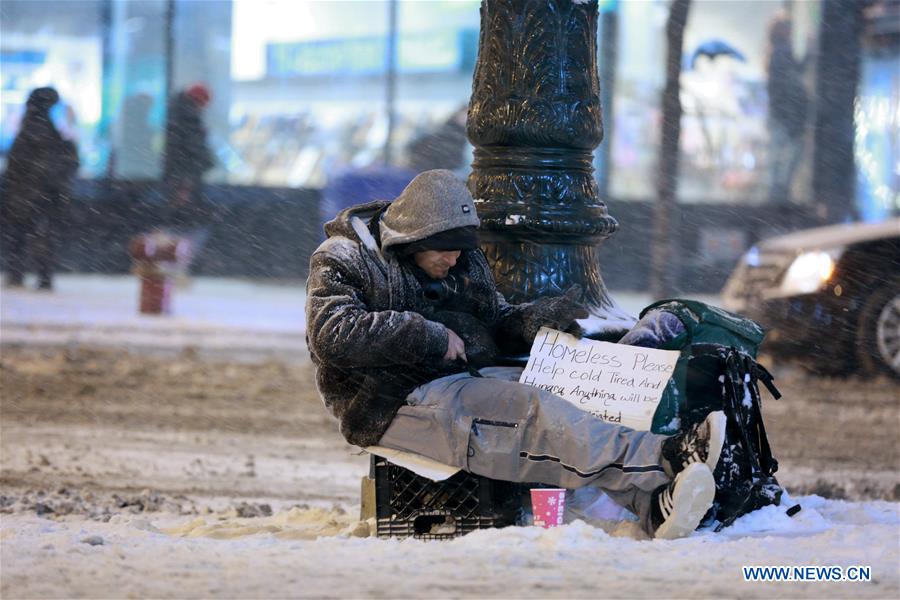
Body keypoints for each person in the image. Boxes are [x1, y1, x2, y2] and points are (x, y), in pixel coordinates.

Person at [306, 169, 727, 540]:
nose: (454, 259)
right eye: (444, 249)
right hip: (386, 402)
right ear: (412, 237)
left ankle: (652, 503)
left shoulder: (462, 261)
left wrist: (531, 322)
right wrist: (428, 336)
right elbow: (330, 333)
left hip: (457, 380)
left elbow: (493, 319)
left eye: (460, 248)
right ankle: (666, 455)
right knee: (533, 413)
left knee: (564, 399)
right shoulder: (343, 258)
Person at [1, 87, 80, 290]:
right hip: (41, 195)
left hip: (26, 195)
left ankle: (20, 275)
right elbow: (64, 164)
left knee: (22, 236)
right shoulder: (50, 134)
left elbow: (16, 168)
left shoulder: (30, 131)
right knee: (41, 237)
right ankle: (40, 276)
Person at [766, 11, 808, 202]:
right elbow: (792, 76)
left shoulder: (776, 52)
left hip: (781, 111)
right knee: (787, 151)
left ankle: (778, 190)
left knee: (780, 152)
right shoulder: (781, 52)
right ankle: (779, 191)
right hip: (785, 112)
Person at [162, 83, 214, 229]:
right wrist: (185, 185)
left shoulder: (178, 114)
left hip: (181, 177)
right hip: (185, 178)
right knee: (182, 218)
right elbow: (190, 150)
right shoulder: (187, 118)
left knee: (178, 216)